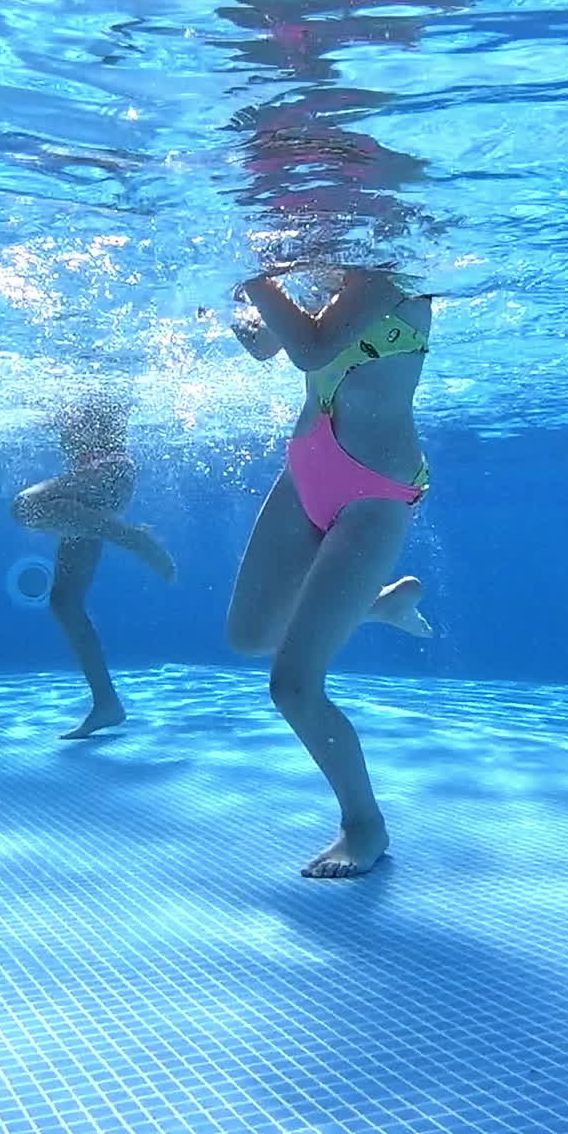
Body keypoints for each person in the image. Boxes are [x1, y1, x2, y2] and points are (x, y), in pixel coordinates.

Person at [227, 264, 434, 878]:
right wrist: (239, 305)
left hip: (373, 492)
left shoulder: (395, 270)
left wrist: (255, 275)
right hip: (304, 475)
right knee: (249, 637)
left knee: (291, 684)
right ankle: (377, 606)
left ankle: (363, 825)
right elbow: (269, 345)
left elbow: (313, 348)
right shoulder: (329, 274)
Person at [11, 388, 175, 739]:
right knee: (64, 602)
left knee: (26, 506)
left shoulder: (98, 380)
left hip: (108, 472)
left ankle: (132, 538)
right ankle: (106, 704)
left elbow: (122, 396)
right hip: (87, 494)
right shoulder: (65, 392)